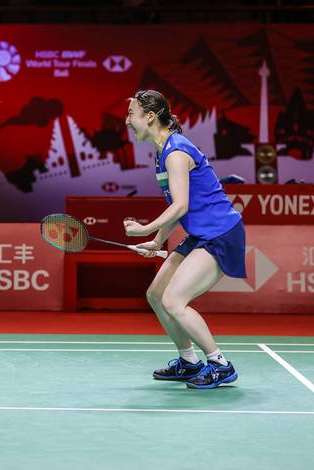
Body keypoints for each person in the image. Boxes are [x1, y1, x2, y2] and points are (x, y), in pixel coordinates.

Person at [123, 90, 244, 389]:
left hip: (220, 234)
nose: (127, 121)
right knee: (156, 294)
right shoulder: (162, 150)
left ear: (150, 116)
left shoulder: (176, 152)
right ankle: (189, 361)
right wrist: (157, 241)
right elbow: (177, 207)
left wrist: (145, 229)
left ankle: (220, 364)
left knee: (175, 300)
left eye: (131, 114)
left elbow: (180, 206)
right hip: (199, 234)